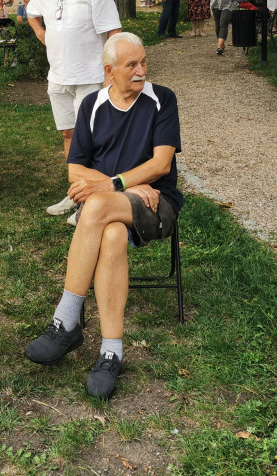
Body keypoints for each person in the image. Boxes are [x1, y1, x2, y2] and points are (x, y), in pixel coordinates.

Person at [24, 33, 181, 400]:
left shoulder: (162, 100)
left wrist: (115, 186)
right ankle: (111, 351)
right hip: (119, 201)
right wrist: (120, 187)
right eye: (132, 65)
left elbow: (161, 164)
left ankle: (66, 321)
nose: (141, 70)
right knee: (110, 235)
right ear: (109, 71)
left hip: (157, 202)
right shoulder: (92, 104)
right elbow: (74, 172)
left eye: (143, 62)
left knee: (94, 206)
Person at [26, 0, 122, 219]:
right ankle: (76, 194)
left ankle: (91, 202)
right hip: (58, 78)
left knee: (91, 141)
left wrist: (109, 76)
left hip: (90, 78)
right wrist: (41, 34)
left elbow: (114, 33)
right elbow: (32, 13)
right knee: (68, 136)